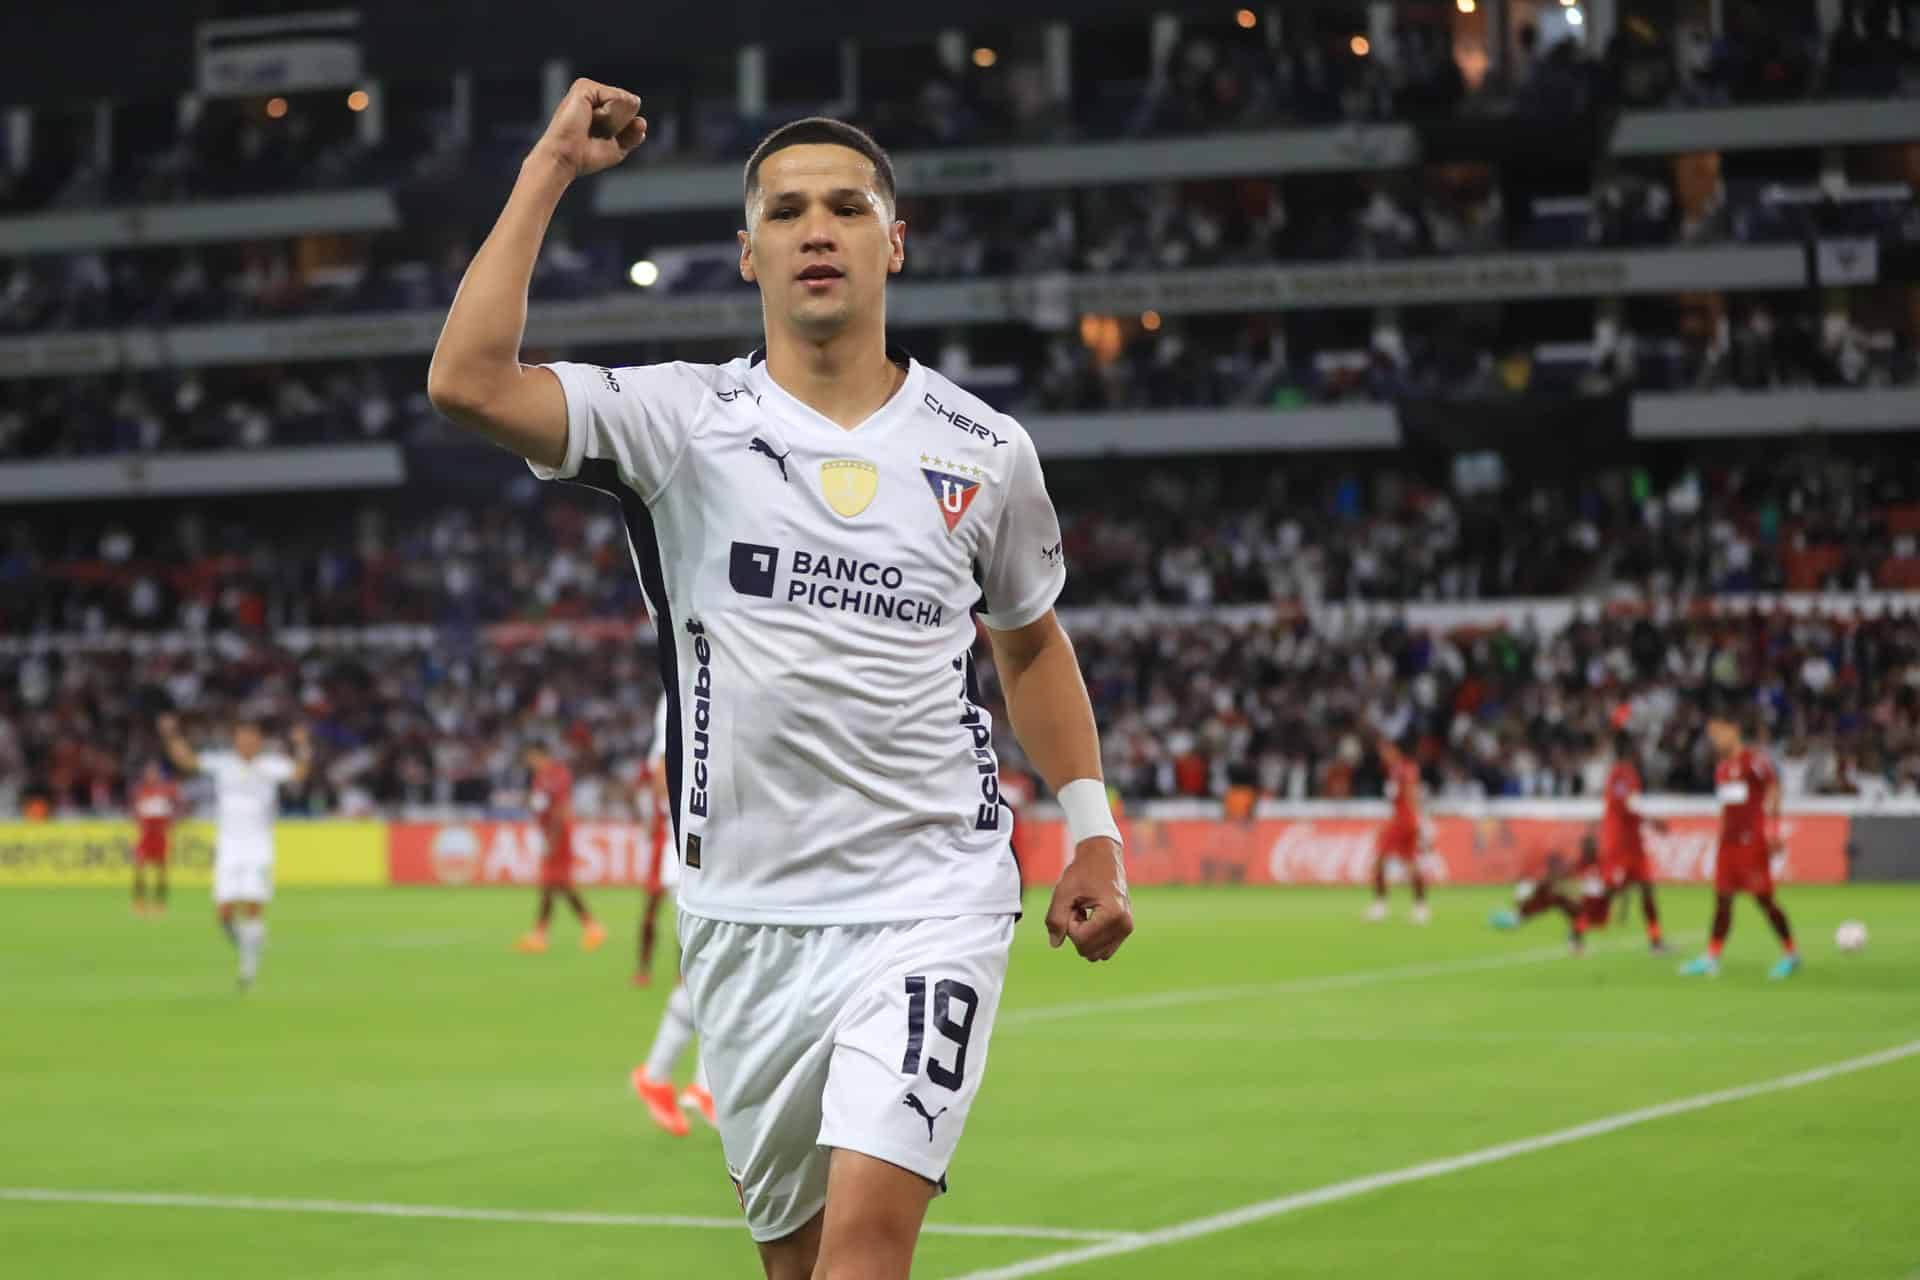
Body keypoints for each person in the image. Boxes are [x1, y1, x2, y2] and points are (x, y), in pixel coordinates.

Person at [428, 88, 1132, 1280]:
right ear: (747, 250)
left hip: (931, 897)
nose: (819, 228)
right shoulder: (681, 420)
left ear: (891, 241)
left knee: (864, 1256)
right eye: (789, 210)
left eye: (848, 207)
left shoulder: (984, 448)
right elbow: (469, 381)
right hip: (744, 922)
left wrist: (1093, 829)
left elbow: (1027, 638)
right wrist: (549, 162)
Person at [156, 715, 311, 991]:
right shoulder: (223, 763)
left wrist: (303, 745)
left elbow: (299, 772)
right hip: (229, 846)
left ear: (259, 741)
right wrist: (171, 735)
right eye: (241, 738)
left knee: (252, 906)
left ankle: (248, 966)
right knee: (224, 912)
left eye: (251, 738)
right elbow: (186, 760)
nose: (246, 743)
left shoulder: (270, 765)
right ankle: (250, 945)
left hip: (259, 846)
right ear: (235, 741)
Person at [629, 696, 719, 1139]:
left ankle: (685, 1081)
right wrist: (683, 830)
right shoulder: (685, 680)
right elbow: (662, 765)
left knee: (713, 971)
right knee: (716, 969)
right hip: (692, 853)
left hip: (714, 853)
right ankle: (686, 1082)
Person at [1681, 706, 1800, 980]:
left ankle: (1791, 953)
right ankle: (1711, 957)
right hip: (1728, 845)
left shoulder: (1752, 761)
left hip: (1751, 842)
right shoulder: (1721, 768)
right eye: (1711, 735)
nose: (1713, 740)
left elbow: (1773, 788)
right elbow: (1728, 806)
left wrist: (1773, 829)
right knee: (1722, 900)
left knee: (1764, 900)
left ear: (1733, 730)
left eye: (1717, 733)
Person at [516, 740, 607, 954]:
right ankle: (585, 927)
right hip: (552, 834)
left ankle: (545, 934)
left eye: (531, 757)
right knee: (556, 885)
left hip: (558, 836)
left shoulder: (555, 775)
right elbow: (543, 806)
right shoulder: (542, 777)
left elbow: (559, 809)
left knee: (555, 883)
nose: (530, 763)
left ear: (539, 754)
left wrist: (552, 839)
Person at [1596, 732, 1668, 952]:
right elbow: (1626, 807)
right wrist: (1652, 821)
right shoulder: (1622, 774)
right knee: (1610, 890)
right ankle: (1577, 931)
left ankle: (1656, 941)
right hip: (1619, 844)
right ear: (1631, 751)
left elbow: (1629, 805)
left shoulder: (1624, 773)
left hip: (1632, 844)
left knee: (1647, 888)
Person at [1366, 735, 1430, 924]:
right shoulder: (1394, 770)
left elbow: (1411, 795)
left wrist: (1420, 821)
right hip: (1403, 820)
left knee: (1379, 860)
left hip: (1404, 822)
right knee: (1410, 864)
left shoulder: (1405, 769)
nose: (1382, 754)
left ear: (1395, 750)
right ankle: (1420, 908)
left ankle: (1380, 906)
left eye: (1385, 750)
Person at [634, 698, 673, 987]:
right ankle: (643, 967)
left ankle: (681, 976)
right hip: (664, 834)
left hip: (673, 833)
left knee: (683, 909)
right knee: (651, 907)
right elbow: (648, 784)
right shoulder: (657, 756)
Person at [1490, 845, 1590, 953]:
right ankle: (1575, 941)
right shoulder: (1546, 879)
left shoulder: (1563, 875)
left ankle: (1575, 940)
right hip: (1552, 896)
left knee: (1580, 916)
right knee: (1578, 915)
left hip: (1559, 897)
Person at [130, 760, 182, 915]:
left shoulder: (167, 791)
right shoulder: (140, 791)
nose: (151, 776)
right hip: (146, 835)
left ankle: (160, 903)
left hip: (160, 835)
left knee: (161, 871)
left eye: (154, 773)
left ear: (158, 775)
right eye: (149, 773)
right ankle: (139, 902)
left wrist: (173, 820)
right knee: (139, 869)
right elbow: (135, 812)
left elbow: (177, 808)